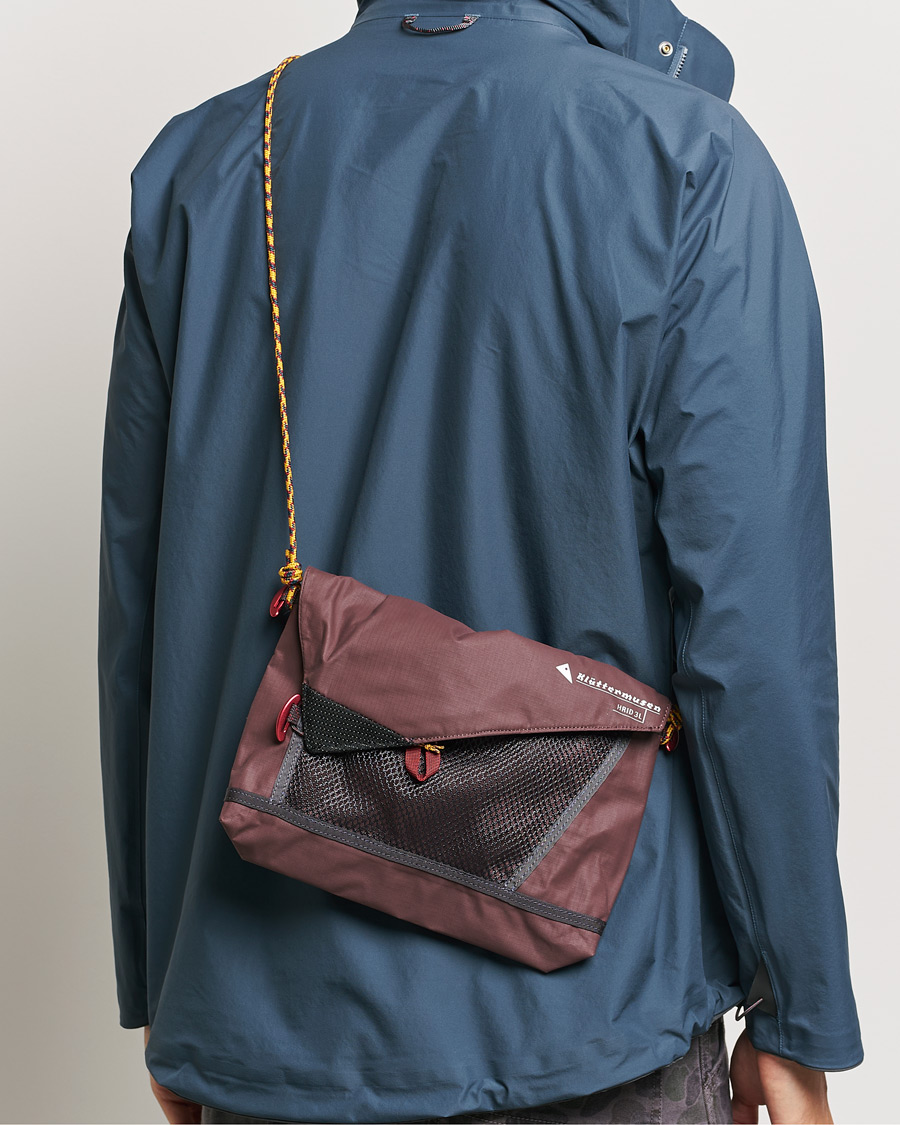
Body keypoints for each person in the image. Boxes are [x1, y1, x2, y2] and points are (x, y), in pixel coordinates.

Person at [97, 1, 863, 1123]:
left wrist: (169, 989)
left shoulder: (205, 164)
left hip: (266, 1024)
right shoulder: (685, 160)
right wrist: (797, 1014)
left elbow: (149, 614)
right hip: (593, 1016)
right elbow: (754, 641)